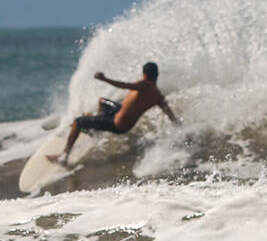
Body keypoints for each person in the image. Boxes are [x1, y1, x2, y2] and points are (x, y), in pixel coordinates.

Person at [47, 61, 179, 165]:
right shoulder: (158, 96)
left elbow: (124, 85)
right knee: (102, 101)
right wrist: (180, 129)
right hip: (122, 119)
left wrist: (105, 79)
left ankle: (63, 157)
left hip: (116, 123)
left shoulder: (144, 85)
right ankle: (97, 124)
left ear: (144, 74)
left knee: (78, 122)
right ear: (157, 74)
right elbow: (171, 115)